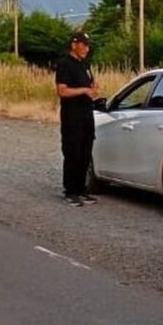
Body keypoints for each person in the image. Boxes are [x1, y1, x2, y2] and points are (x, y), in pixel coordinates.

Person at [55, 31, 99, 207]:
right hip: (72, 115)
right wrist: (84, 90)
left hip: (86, 113)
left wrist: (93, 88)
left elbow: (88, 84)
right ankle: (70, 190)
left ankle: (81, 188)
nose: (86, 49)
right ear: (74, 45)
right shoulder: (65, 64)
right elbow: (62, 90)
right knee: (72, 151)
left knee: (85, 151)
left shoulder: (85, 64)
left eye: (88, 45)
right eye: (83, 45)